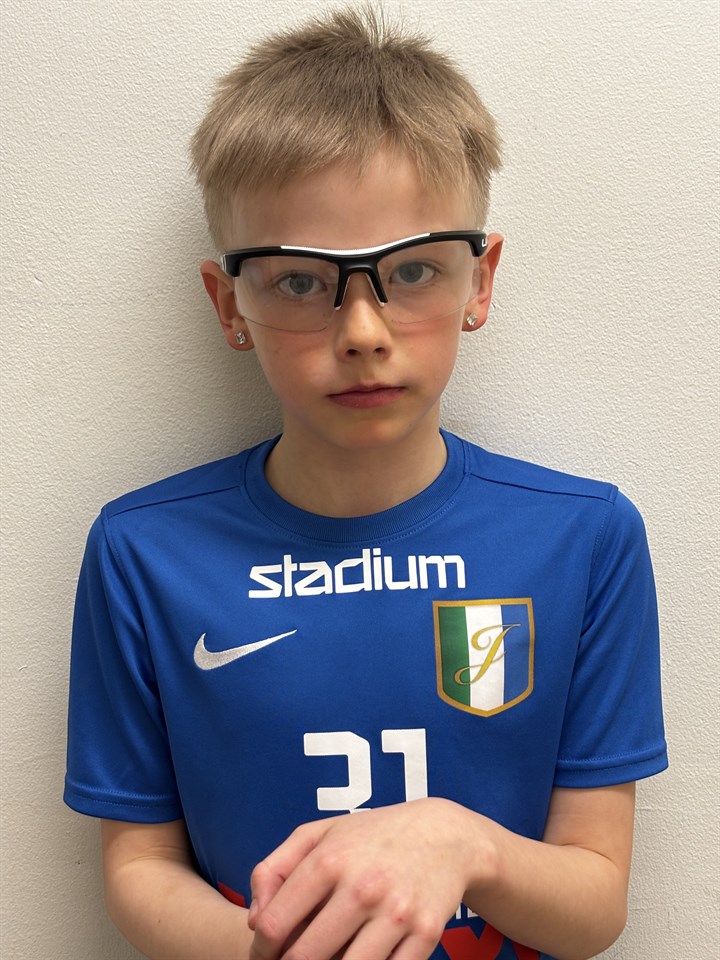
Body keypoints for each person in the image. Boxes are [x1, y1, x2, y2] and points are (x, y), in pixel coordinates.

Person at [64, 9, 667, 960]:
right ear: (229, 304)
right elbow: (139, 870)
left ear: (480, 283)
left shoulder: (584, 539)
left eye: (413, 270)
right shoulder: (144, 553)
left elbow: (595, 901)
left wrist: (463, 843)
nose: (362, 331)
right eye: (301, 282)